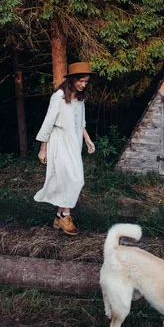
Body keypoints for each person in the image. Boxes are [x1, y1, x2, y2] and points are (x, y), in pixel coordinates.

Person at [35, 62, 96, 235]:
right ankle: (65, 216)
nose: (84, 84)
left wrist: (87, 139)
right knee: (76, 179)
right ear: (73, 79)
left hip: (74, 143)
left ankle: (59, 216)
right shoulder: (59, 97)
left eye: (86, 81)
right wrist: (43, 148)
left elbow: (81, 122)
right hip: (60, 143)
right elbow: (48, 123)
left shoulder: (80, 97)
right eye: (81, 81)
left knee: (67, 180)